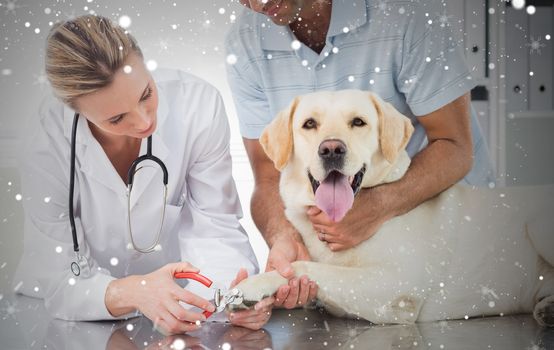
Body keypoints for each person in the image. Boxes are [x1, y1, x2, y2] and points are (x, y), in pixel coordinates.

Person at [224, 0, 496, 306]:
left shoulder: (407, 16)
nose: (257, 3)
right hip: (341, 251)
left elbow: (455, 146)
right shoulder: (246, 40)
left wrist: (379, 205)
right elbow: (267, 174)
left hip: (452, 230)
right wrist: (284, 237)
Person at [13, 15, 274, 334]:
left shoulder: (197, 104)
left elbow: (215, 226)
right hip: (61, 319)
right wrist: (131, 292)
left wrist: (231, 298)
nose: (143, 122)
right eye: (117, 117)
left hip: (167, 315)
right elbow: (58, 275)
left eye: (145, 94)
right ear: (75, 109)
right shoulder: (46, 135)